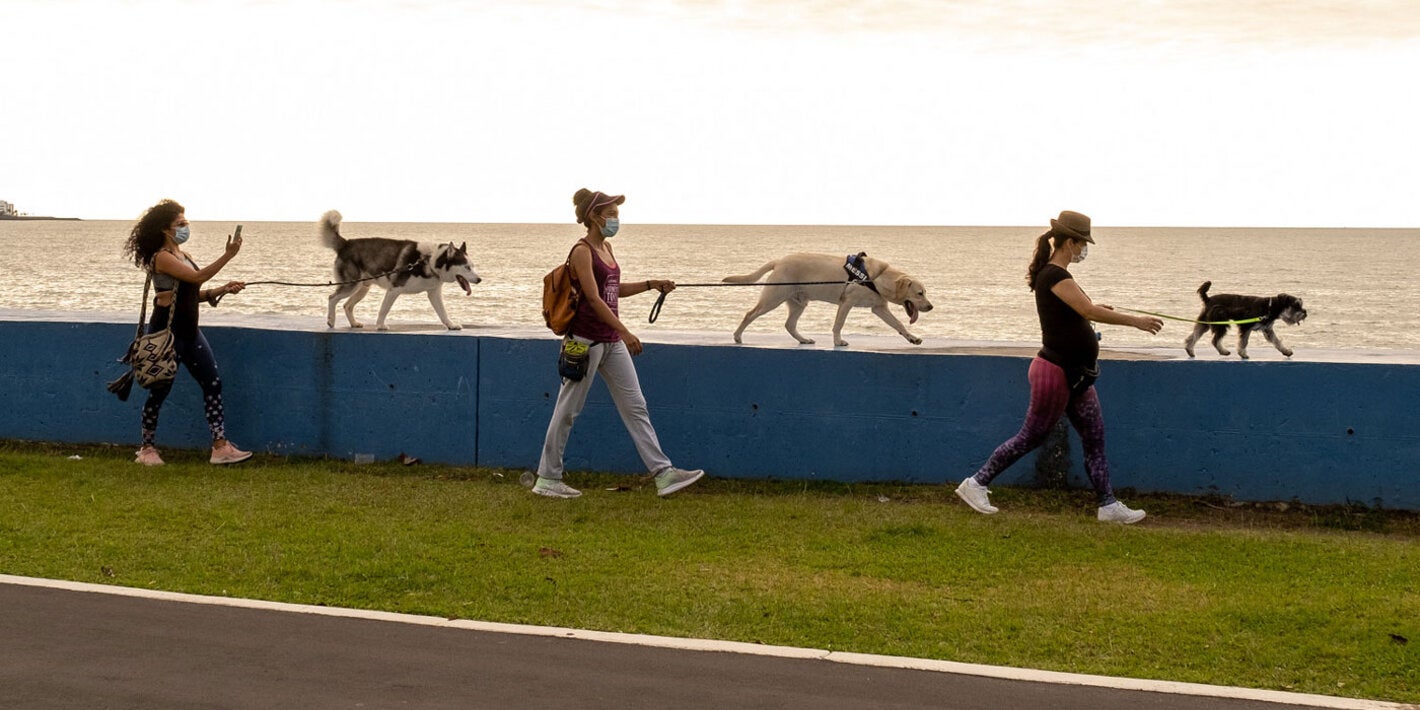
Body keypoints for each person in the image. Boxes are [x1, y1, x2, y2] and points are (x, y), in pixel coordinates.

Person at [954, 211, 1163, 523]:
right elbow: (1086, 310)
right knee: (1031, 436)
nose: (1084, 249)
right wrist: (1136, 321)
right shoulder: (1054, 275)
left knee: (1094, 438)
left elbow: (1076, 312)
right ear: (1070, 242)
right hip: (1055, 373)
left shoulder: (1059, 276)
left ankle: (1108, 506)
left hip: (1077, 376)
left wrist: (1093, 310)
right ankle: (976, 483)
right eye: (1082, 243)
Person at [531, 188, 705, 499]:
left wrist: (651, 284)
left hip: (610, 341)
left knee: (636, 406)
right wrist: (625, 331)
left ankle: (663, 474)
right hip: (584, 342)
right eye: (611, 214)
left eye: (616, 214)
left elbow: (612, 290)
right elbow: (593, 298)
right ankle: (547, 478)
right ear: (595, 217)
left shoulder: (607, 248)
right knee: (568, 410)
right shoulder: (581, 251)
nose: (616, 219)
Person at [122, 199, 251, 466]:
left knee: (212, 383)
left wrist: (222, 289)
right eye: (180, 223)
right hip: (166, 333)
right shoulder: (161, 257)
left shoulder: (185, 256)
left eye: (186, 222)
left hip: (190, 332)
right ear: (165, 229)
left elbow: (192, 293)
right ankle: (146, 449)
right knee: (160, 390)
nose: (185, 227)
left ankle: (220, 446)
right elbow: (197, 278)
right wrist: (228, 255)